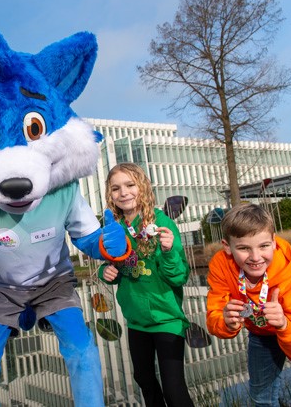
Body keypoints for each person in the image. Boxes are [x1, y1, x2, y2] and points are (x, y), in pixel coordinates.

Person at [206, 203, 291, 406]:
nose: (256, 257)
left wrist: (283, 324)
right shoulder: (220, 266)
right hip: (262, 331)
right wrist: (226, 322)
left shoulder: (290, 277)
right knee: (261, 396)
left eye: (263, 246)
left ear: (274, 242)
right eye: (243, 248)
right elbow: (214, 316)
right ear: (227, 247)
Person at [99, 162, 194, 407]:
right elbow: (114, 265)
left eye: (130, 185)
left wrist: (168, 249)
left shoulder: (162, 223)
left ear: (142, 187)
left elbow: (179, 276)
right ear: (110, 194)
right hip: (137, 320)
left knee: (174, 390)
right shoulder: (115, 229)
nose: (123, 193)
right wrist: (106, 272)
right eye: (116, 188)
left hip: (166, 319)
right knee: (144, 380)